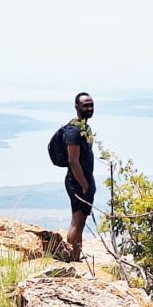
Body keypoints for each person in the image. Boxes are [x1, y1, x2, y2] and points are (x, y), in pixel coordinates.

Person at [64, 92, 96, 262]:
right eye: (85, 105)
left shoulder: (84, 128)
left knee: (79, 221)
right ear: (77, 107)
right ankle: (74, 259)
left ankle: (74, 255)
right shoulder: (74, 131)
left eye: (91, 105)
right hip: (77, 182)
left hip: (84, 180)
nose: (89, 108)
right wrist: (84, 184)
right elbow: (73, 160)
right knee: (78, 222)